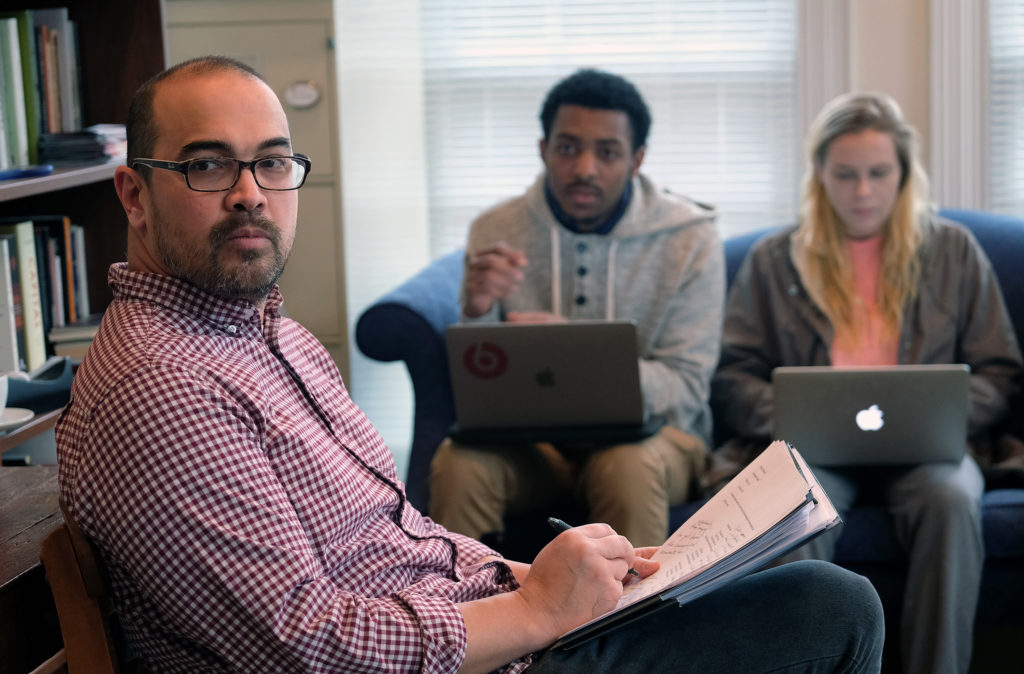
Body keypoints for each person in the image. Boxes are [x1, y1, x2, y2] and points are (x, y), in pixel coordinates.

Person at [55, 56, 885, 673]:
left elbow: (398, 536)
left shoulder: (271, 335)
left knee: (800, 598)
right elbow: (302, 645)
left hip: (503, 620)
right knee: (831, 608)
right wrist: (534, 610)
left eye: (273, 162)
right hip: (481, 655)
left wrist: (541, 583)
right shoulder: (164, 389)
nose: (250, 192)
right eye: (208, 165)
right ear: (132, 193)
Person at [711, 91, 1023, 674]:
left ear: (903, 174)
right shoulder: (774, 261)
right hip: (813, 451)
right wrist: (792, 414)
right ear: (820, 175)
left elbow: (998, 370)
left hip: (928, 450)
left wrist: (945, 414)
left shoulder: (954, 252)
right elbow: (733, 376)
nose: (862, 192)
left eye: (878, 174)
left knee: (953, 498)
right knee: (794, 507)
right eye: (845, 174)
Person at [429, 69, 723, 549]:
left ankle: (632, 626)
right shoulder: (495, 227)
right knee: (459, 463)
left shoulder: (690, 238)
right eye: (568, 148)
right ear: (544, 150)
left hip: (656, 443)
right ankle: (468, 620)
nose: (585, 168)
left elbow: (687, 387)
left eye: (607, 153)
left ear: (637, 160)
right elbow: (484, 387)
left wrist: (580, 356)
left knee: (625, 467)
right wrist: (479, 312)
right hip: (537, 448)